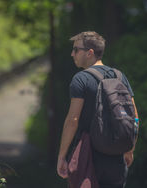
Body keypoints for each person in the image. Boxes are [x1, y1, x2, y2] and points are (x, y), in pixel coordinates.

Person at [57, 31, 138, 188]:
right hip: (117, 157)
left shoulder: (80, 79)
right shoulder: (120, 76)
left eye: (76, 49)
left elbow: (73, 120)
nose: (72, 54)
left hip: (88, 156)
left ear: (90, 53)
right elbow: (134, 116)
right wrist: (129, 148)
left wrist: (62, 156)